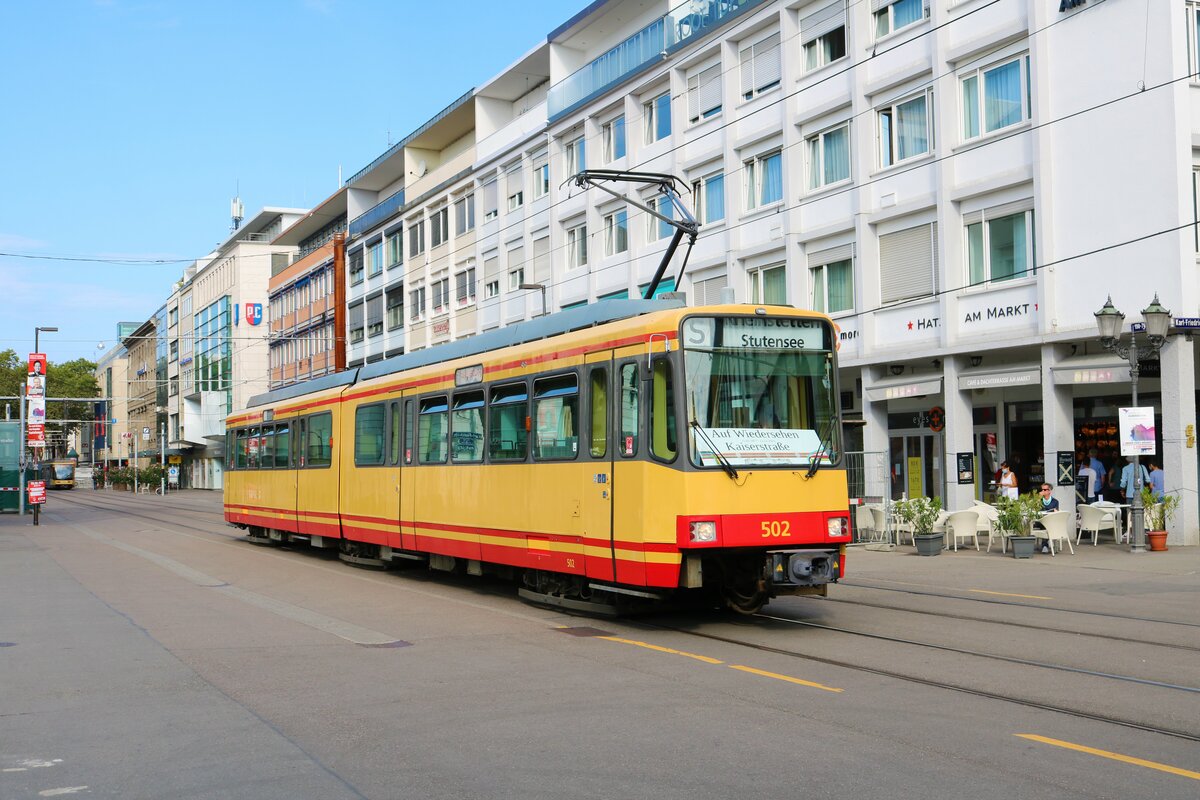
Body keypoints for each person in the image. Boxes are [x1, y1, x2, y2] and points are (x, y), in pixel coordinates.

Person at [1037, 483, 1060, 552]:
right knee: (1044, 524)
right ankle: (1046, 543)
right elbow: (1035, 509)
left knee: (1047, 524)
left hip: (1051, 521)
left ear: (1049, 491)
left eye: (1044, 490)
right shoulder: (1039, 500)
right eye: (1041, 490)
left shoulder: (1055, 501)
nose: (1042, 491)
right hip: (1040, 521)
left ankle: (1045, 544)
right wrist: (1038, 498)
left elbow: (1056, 511)